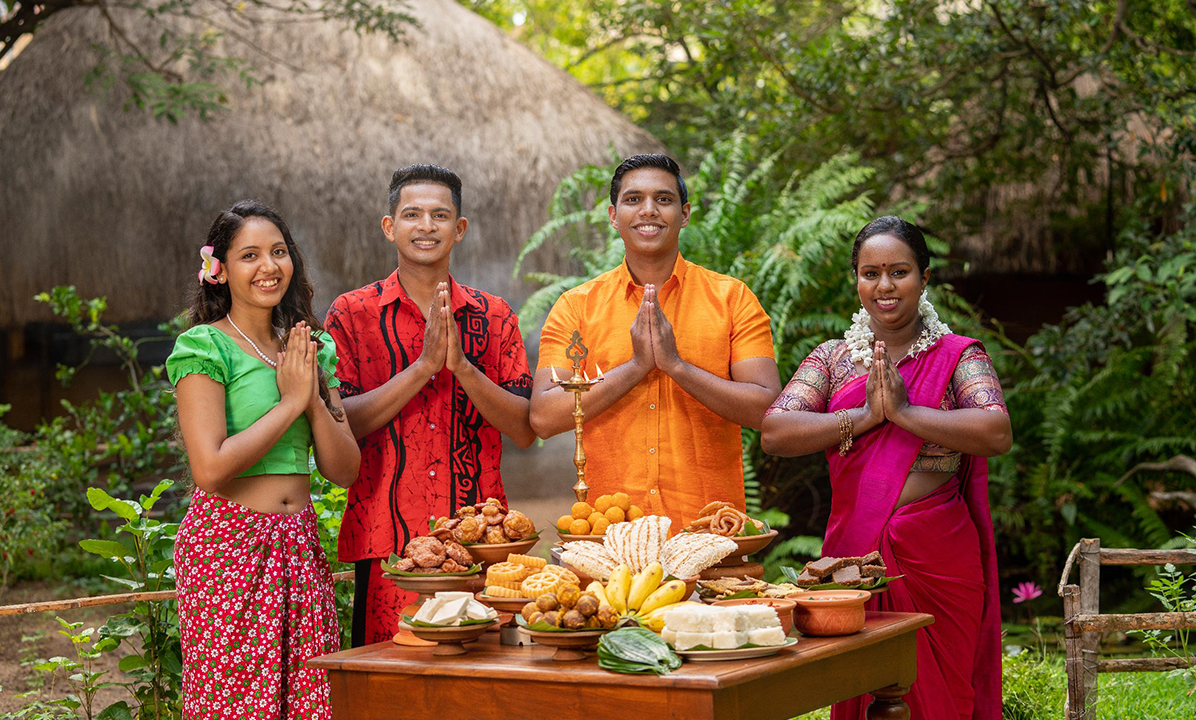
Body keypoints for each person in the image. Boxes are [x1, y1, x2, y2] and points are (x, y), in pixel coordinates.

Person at [761, 215, 1009, 720]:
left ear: (924, 277)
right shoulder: (831, 359)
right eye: (870, 273)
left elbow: (996, 431)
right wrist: (866, 415)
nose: (884, 286)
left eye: (899, 271)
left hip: (938, 555)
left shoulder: (958, 356)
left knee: (940, 696)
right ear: (856, 279)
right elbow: (775, 432)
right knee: (859, 686)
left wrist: (906, 413)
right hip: (853, 557)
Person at [325, 164, 535, 646]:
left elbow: (524, 429)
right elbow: (343, 425)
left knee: (479, 683)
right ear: (390, 226)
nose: (426, 226)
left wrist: (462, 367)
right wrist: (421, 367)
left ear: (459, 229)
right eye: (412, 214)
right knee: (393, 683)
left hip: (481, 542)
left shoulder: (494, 315)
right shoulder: (351, 314)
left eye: (440, 215)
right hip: (387, 543)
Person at [167, 200, 361, 719]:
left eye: (278, 251)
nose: (268, 266)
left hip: (298, 543)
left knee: (309, 701)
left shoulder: (311, 348)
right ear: (220, 270)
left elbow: (344, 470)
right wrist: (290, 403)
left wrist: (313, 396)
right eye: (249, 255)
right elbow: (209, 468)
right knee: (235, 704)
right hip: (227, 548)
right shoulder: (204, 346)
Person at [529, 154, 781, 530]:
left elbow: (767, 409)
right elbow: (544, 417)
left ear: (685, 214)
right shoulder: (577, 307)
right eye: (633, 200)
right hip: (610, 530)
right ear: (613, 216)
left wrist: (676, 366)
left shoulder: (731, 299)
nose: (649, 210)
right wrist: (635, 368)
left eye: (663, 199)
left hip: (710, 528)